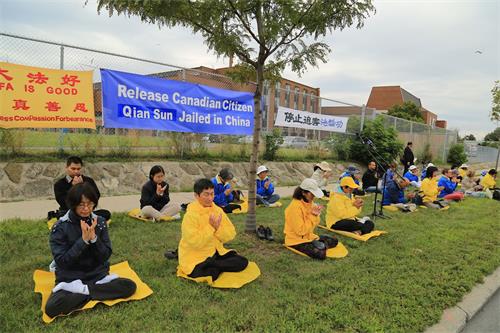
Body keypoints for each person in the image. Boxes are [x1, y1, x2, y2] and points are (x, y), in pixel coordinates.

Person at [45, 183, 136, 318]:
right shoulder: (60, 227)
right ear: (73, 204)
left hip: (97, 276)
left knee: (129, 286)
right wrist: (82, 241)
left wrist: (94, 239)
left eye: (90, 204)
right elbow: (62, 262)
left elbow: (105, 256)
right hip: (71, 278)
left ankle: (85, 291)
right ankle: (97, 292)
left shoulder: (99, 222)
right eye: (82, 205)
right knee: (52, 308)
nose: (86, 209)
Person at [177, 178, 249, 281]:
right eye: (206, 194)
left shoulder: (217, 210)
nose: (210, 198)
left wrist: (217, 229)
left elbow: (231, 233)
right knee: (211, 274)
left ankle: (215, 264)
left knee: (242, 261)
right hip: (195, 257)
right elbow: (195, 242)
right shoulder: (190, 216)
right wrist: (211, 228)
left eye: (212, 194)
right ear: (197, 196)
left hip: (214, 253)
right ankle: (215, 266)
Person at [284, 179, 338, 260]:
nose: (314, 196)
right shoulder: (294, 208)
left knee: (334, 240)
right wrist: (313, 216)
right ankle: (320, 246)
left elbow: (315, 224)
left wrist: (316, 215)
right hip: (295, 240)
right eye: (312, 194)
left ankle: (320, 245)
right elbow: (300, 231)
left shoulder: (310, 203)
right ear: (303, 193)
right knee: (320, 254)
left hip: (309, 236)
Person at [52, 156, 110, 221]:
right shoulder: (59, 184)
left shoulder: (88, 180)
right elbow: (63, 202)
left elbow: (96, 196)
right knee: (62, 216)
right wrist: (74, 187)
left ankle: (85, 219)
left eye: (78, 169)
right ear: (67, 168)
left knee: (106, 213)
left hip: (87, 211)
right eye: (73, 169)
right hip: (69, 211)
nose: (76, 171)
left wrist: (82, 186)